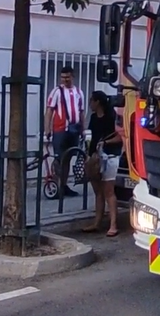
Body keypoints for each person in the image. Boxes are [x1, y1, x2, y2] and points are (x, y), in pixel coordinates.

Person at [82, 91, 123, 237]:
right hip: (96, 157)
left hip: (110, 156)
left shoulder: (111, 117)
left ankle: (113, 225)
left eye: (91, 100)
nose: (89, 103)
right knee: (98, 192)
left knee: (108, 192)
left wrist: (105, 142)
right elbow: (92, 138)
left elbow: (121, 137)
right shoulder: (93, 118)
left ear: (97, 102)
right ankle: (97, 222)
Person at [46, 66, 85, 198]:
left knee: (68, 158)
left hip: (74, 130)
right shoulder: (56, 91)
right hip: (60, 130)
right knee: (58, 158)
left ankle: (63, 185)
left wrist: (83, 130)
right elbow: (50, 110)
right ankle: (56, 185)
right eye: (62, 78)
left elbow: (82, 112)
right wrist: (47, 128)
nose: (65, 80)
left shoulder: (79, 92)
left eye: (67, 77)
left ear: (73, 77)